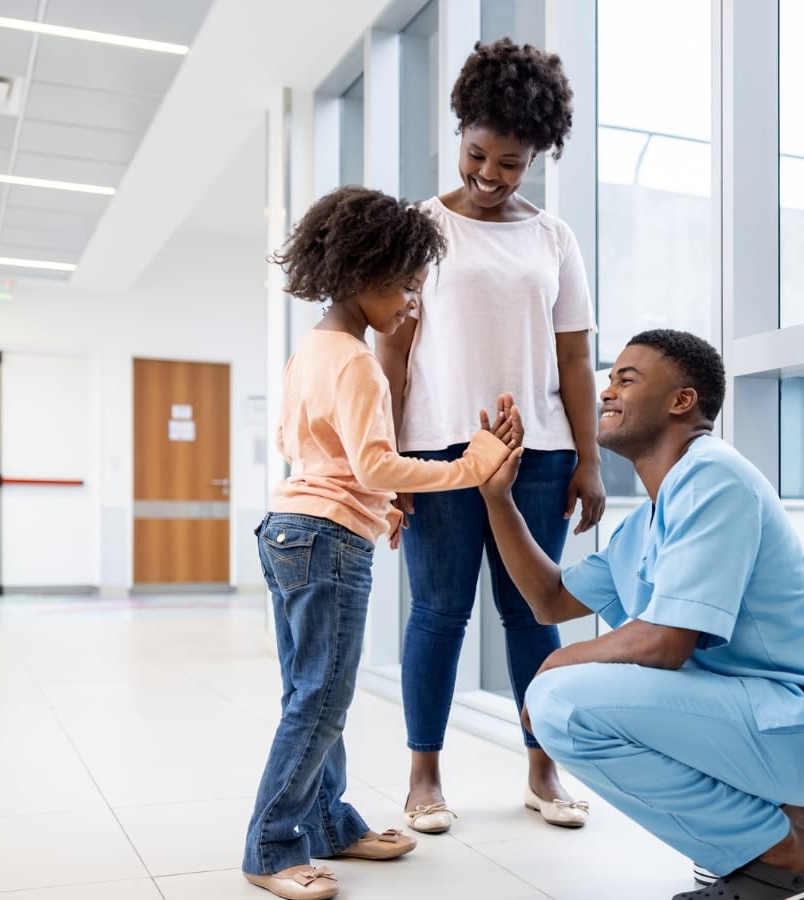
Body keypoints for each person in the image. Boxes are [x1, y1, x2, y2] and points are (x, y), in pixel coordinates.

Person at [477, 330, 804, 900]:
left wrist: (554, 663)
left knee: (563, 704)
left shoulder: (714, 476)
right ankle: (791, 827)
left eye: (627, 379)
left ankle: (779, 854)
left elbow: (665, 644)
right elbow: (550, 599)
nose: (607, 391)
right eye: (609, 379)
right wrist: (497, 498)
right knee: (582, 688)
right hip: (782, 720)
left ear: (682, 400)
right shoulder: (654, 513)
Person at [243, 186, 525, 900]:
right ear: (362, 275)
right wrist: (468, 466)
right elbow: (372, 464)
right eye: (404, 286)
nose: (411, 304)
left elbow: (294, 443)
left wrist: (374, 505)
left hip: (288, 531)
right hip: (329, 542)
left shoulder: (311, 351)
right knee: (321, 700)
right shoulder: (360, 363)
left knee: (312, 692)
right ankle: (272, 847)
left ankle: (331, 823)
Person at [377, 37, 604, 834]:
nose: (488, 175)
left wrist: (589, 460)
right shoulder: (418, 227)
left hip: (538, 452)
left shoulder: (554, 239)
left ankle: (544, 768)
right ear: (460, 133)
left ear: (536, 156)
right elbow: (393, 352)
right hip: (438, 452)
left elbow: (576, 355)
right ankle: (423, 778)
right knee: (438, 612)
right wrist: (392, 466)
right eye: (477, 155)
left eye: (509, 163)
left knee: (529, 613)